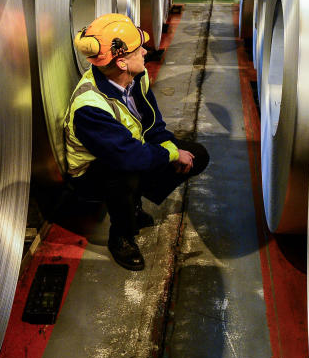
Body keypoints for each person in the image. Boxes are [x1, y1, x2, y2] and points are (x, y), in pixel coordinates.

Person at [63, 13, 209, 270]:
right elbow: (126, 156)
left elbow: (153, 123)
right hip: (90, 175)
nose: (144, 51)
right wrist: (172, 156)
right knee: (125, 174)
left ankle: (134, 201)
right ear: (121, 62)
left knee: (196, 154)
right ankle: (121, 236)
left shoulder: (135, 76)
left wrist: (171, 148)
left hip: (125, 154)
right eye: (137, 49)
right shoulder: (90, 107)